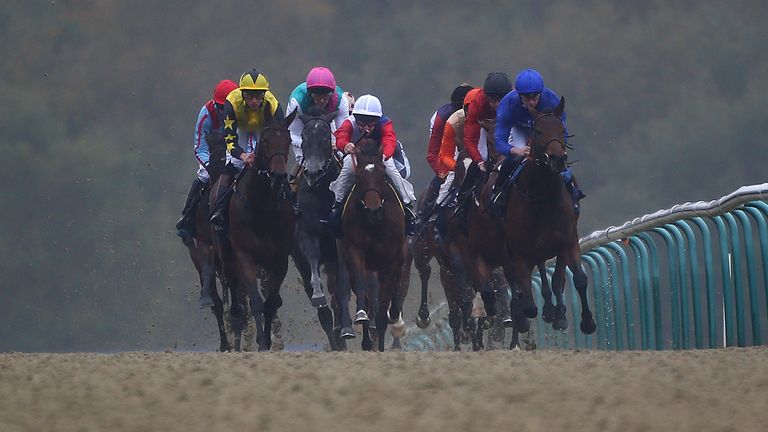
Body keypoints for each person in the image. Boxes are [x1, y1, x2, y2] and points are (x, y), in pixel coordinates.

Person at [491, 68, 585, 215]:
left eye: (535, 97)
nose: (532, 102)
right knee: (513, 160)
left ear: (541, 93)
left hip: (546, 130)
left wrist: (558, 149)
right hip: (520, 129)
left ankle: (572, 192)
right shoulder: (507, 105)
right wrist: (517, 150)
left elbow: (561, 132)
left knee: (559, 160)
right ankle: (498, 195)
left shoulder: (552, 100)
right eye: (527, 98)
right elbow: (499, 141)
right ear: (518, 95)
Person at [325, 94, 417, 237]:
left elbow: (389, 139)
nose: (366, 127)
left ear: (378, 119)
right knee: (347, 171)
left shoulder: (385, 123)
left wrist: (385, 154)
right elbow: (341, 137)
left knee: (392, 171)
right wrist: (345, 146)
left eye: (371, 123)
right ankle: (337, 207)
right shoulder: (349, 123)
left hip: (379, 155)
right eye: (362, 122)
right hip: (357, 153)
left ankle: (407, 206)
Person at [208, 69, 284, 232]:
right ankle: (219, 210)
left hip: (262, 128)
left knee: (275, 166)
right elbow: (228, 137)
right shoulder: (232, 102)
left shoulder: (273, 104)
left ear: (265, 94)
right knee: (232, 164)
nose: (255, 101)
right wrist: (242, 155)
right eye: (249, 96)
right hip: (240, 128)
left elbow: (280, 135)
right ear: (242, 93)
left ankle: (291, 204)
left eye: (258, 96)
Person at [176, 79, 239, 244]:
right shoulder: (206, 113)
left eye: (228, 107)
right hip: (211, 156)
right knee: (203, 175)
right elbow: (199, 147)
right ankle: (187, 218)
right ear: (215, 104)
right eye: (221, 107)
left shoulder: (242, 112)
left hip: (236, 154)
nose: (224, 111)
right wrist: (211, 166)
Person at [415, 84, 473, 228]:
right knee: (445, 179)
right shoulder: (442, 119)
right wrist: (443, 175)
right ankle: (425, 218)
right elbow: (433, 155)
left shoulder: (479, 112)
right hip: (447, 147)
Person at [454, 72, 512, 206]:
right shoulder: (478, 103)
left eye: (500, 100)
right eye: (492, 100)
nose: (497, 104)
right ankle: (462, 198)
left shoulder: (515, 99)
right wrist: (479, 161)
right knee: (484, 156)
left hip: (508, 125)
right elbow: (469, 139)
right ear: (487, 96)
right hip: (485, 128)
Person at [286, 67, 349, 166]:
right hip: (304, 128)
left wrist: (335, 144)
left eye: (326, 95)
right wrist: (307, 145)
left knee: (344, 160)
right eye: (317, 96)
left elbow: (344, 134)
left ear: (332, 93)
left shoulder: (341, 100)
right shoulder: (297, 101)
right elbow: (293, 133)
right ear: (310, 94)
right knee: (304, 162)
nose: (322, 100)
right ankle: (293, 180)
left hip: (328, 123)